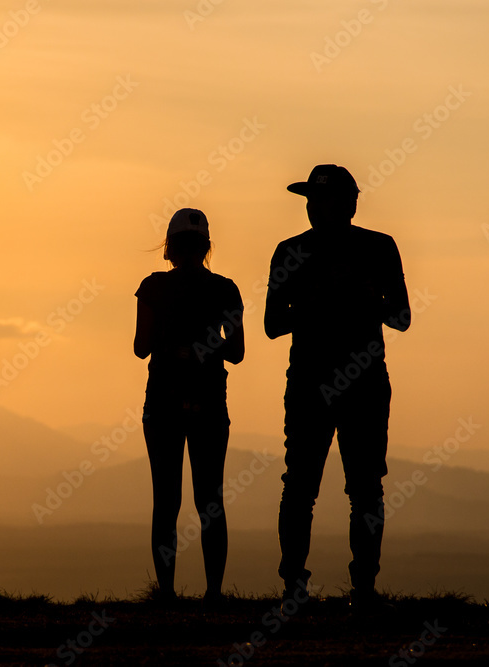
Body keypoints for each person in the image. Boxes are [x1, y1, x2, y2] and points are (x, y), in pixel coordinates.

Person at [264, 164, 410, 610]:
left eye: (320, 199)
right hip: (314, 384)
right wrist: (318, 302)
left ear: (347, 204)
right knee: (305, 486)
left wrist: (367, 297)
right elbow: (272, 324)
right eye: (309, 199)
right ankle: (298, 587)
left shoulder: (379, 248)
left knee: (362, 487)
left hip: (359, 386)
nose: (312, 207)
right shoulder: (291, 251)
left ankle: (361, 587)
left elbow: (401, 317)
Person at [134, 208, 245, 602]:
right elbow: (237, 352)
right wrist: (202, 348)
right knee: (210, 498)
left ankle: (165, 592)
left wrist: (175, 348)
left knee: (166, 499)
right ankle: (213, 592)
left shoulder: (152, 287)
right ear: (206, 247)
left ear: (169, 248)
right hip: (210, 400)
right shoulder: (226, 289)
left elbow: (140, 347)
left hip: (162, 401)